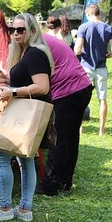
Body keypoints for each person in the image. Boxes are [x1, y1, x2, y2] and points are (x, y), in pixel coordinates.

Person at [0, 13, 53, 222]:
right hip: (25, 111)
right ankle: (24, 210)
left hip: (26, 112)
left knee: (0, 157)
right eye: (13, 30)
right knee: (25, 157)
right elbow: (29, 80)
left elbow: (42, 86)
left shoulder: (34, 54)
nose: (16, 33)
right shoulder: (27, 53)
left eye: (21, 30)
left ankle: (4, 208)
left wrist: (12, 91)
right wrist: (8, 80)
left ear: (32, 31)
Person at [36, 34, 93, 196]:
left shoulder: (37, 46)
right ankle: (65, 180)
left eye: (19, 30)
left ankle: (50, 185)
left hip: (69, 91)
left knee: (58, 137)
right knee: (70, 137)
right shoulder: (45, 39)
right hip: (82, 87)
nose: (16, 34)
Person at [74, 4, 112, 136]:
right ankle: (101, 130)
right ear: (99, 14)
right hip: (101, 67)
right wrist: (107, 56)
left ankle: (80, 127)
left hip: (86, 66)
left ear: (88, 14)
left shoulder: (83, 27)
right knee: (102, 98)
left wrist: (83, 54)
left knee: (81, 98)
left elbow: (77, 50)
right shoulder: (108, 28)